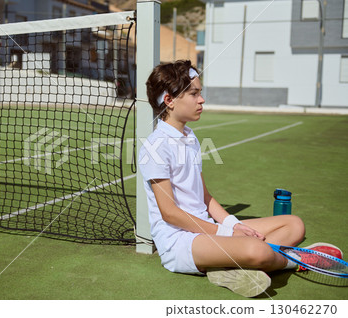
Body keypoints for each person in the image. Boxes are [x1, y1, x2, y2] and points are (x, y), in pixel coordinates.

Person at [138, 60, 342, 297]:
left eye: (200, 93)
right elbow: (170, 213)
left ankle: (229, 266)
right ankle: (299, 260)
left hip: (206, 229)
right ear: (169, 101)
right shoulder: (155, 147)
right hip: (181, 241)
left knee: (294, 224)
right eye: (194, 94)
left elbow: (204, 197)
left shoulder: (189, 137)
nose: (201, 100)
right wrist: (226, 234)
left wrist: (234, 225)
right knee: (258, 251)